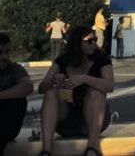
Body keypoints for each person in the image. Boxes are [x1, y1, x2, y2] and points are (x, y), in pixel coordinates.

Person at [38, 25, 114, 156]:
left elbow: (109, 85)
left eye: (95, 40)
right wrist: (54, 80)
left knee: (97, 92)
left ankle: (92, 149)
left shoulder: (101, 59)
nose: (94, 44)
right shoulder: (63, 60)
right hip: (66, 121)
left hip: (92, 122)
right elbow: (41, 88)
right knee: (51, 93)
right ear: (78, 43)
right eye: (89, 41)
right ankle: (46, 151)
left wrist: (85, 79)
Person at [0, 33, 33, 154]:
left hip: (5, 125)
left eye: (7, 52)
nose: (4, 56)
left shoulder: (14, 69)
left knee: (17, 101)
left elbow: (27, 86)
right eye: (0, 52)